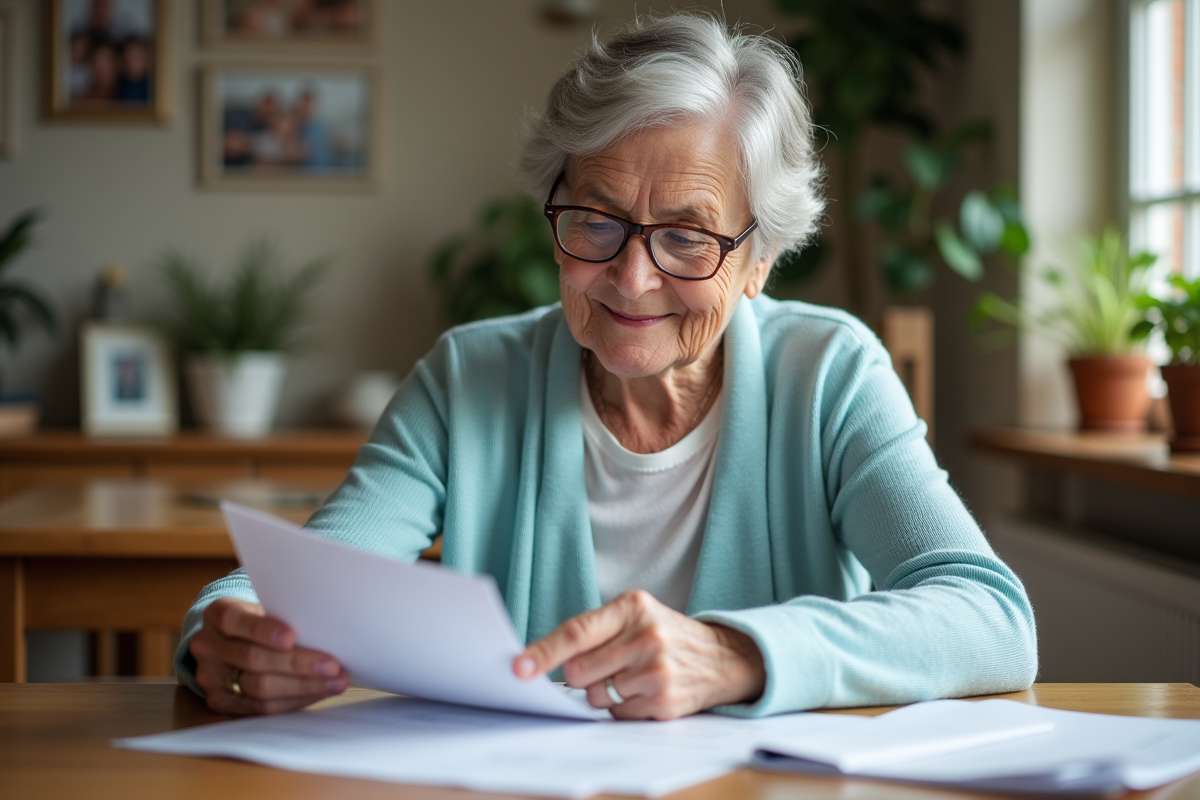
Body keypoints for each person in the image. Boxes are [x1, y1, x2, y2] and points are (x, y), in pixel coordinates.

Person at [178, 13, 1037, 720]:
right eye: (596, 220)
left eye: (688, 237)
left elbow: (990, 619)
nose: (632, 278)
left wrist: (739, 653)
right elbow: (306, 576)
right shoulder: (467, 377)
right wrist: (226, 632)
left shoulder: (830, 373)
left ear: (759, 259)